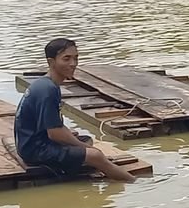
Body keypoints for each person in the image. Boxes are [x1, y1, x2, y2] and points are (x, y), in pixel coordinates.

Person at [15, 38, 136, 182]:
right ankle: (135, 182)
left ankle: (79, 160)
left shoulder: (45, 84)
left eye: (75, 58)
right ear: (51, 62)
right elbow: (55, 133)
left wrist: (81, 144)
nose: (73, 64)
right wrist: (87, 149)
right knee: (95, 155)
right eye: (66, 59)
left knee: (86, 140)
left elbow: (55, 125)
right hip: (35, 150)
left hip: (32, 143)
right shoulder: (48, 90)